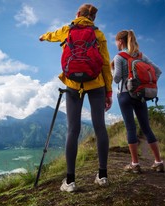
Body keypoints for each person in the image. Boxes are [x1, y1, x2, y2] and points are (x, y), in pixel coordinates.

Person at [39, 4, 113, 192]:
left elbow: (53, 35)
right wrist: (109, 91)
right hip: (97, 85)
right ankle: (102, 176)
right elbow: (105, 64)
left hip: (72, 85)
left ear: (78, 14)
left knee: (73, 130)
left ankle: (70, 181)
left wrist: (44, 36)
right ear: (93, 19)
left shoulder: (67, 30)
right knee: (100, 128)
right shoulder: (99, 35)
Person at [112, 30, 164, 174]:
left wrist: (113, 70)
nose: (115, 43)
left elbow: (116, 78)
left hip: (124, 95)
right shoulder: (141, 56)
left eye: (116, 41)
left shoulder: (119, 57)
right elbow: (158, 71)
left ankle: (135, 164)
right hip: (140, 95)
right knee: (146, 128)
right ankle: (158, 162)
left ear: (120, 41)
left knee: (130, 128)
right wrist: (145, 85)